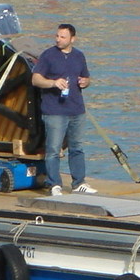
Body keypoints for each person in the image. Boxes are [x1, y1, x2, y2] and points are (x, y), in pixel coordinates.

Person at [32, 23, 96, 195]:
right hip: (54, 111)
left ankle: (79, 183)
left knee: (77, 148)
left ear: (72, 39)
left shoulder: (79, 56)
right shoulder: (48, 55)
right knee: (53, 149)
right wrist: (53, 83)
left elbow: (87, 78)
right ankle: (54, 184)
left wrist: (85, 82)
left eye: (62, 37)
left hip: (76, 109)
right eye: (57, 36)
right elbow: (36, 79)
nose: (58, 40)